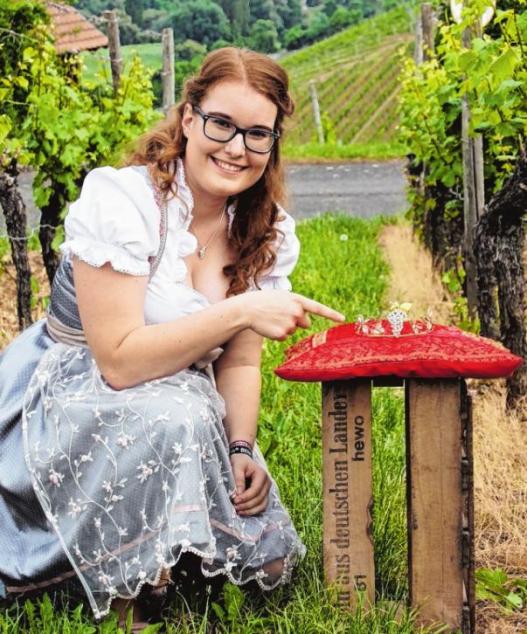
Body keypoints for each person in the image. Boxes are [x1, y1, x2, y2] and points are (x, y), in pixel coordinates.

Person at [0, 47, 344, 629]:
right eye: (222, 124)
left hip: (178, 406)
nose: (237, 148)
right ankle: (140, 595)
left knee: (270, 562)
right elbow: (119, 362)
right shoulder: (124, 200)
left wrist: (239, 448)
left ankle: (168, 552)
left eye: (258, 134)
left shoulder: (264, 231)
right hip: (66, 393)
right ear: (188, 119)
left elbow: (238, 365)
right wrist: (244, 310)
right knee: (179, 410)